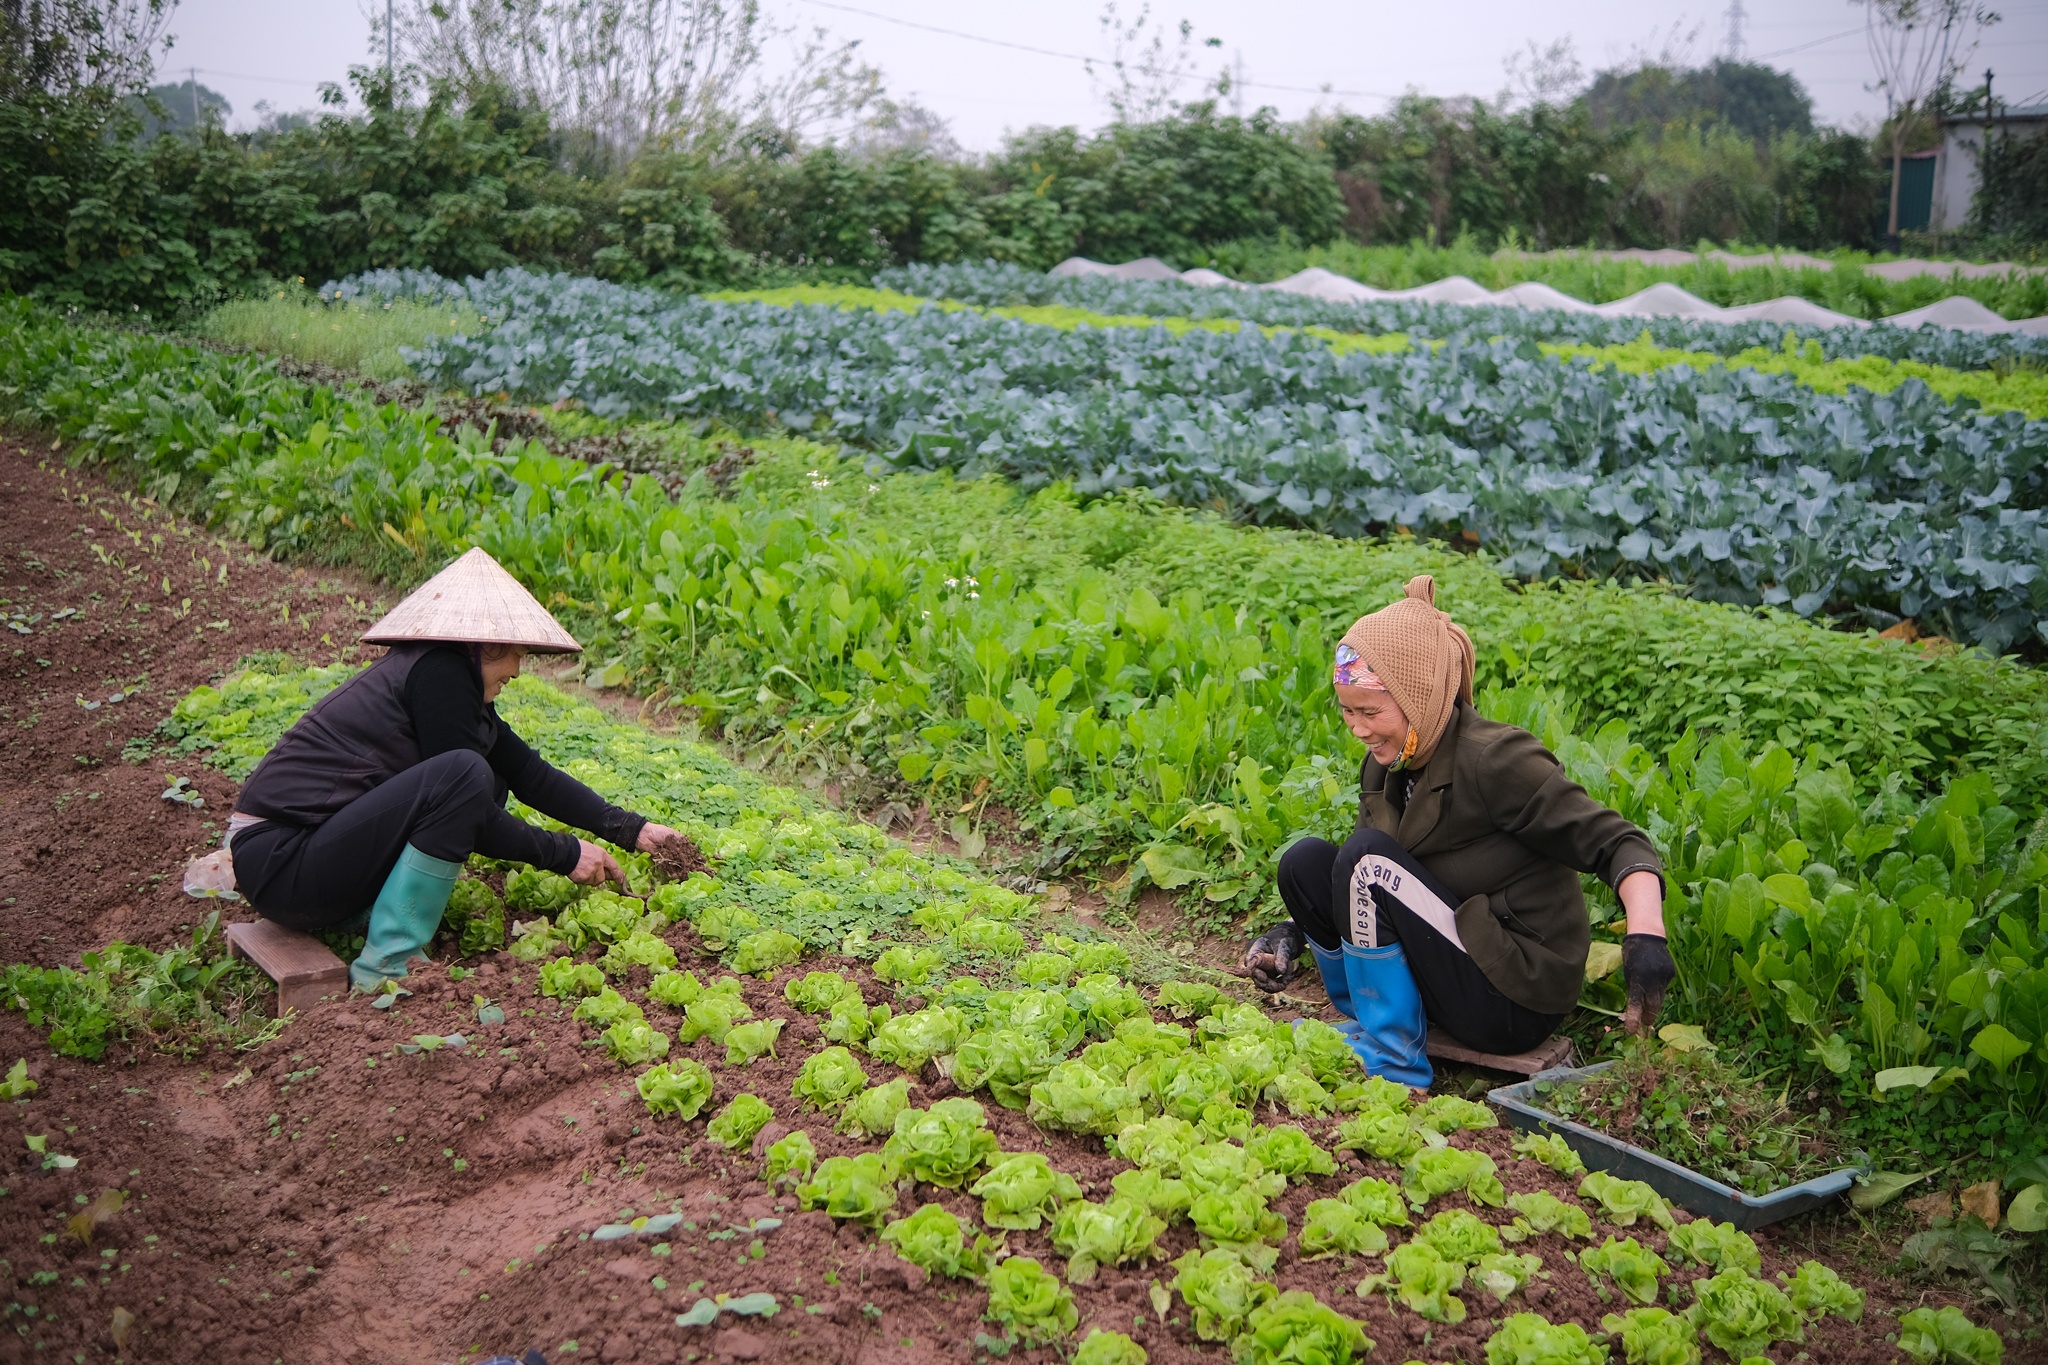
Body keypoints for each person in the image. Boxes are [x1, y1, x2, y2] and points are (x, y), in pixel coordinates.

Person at [1242, 576, 1676, 1086]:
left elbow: (1617, 842)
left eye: (1370, 711)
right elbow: (1376, 880)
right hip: (1447, 968)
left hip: (1510, 995)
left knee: (1364, 859)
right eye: (1347, 711)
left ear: (1418, 695)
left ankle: (1394, 1060)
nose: (1357, 728)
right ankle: (1377, 1021)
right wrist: (1298, 931)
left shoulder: (1497, 760)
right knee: (1306, 862)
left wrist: (1647, 935)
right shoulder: (1387, 764)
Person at [228, 548, 693, 990]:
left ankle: (371, 916)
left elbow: (531, 774)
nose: (517, 669)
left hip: (306, 859)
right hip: (283, 864)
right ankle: (388, 965)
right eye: (515, 652)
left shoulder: (453, 683)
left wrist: (632, 830)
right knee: (468, 776)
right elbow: (463, 796)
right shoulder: (438, 675)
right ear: (483, 644)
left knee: (488, 776)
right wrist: (565, 854)